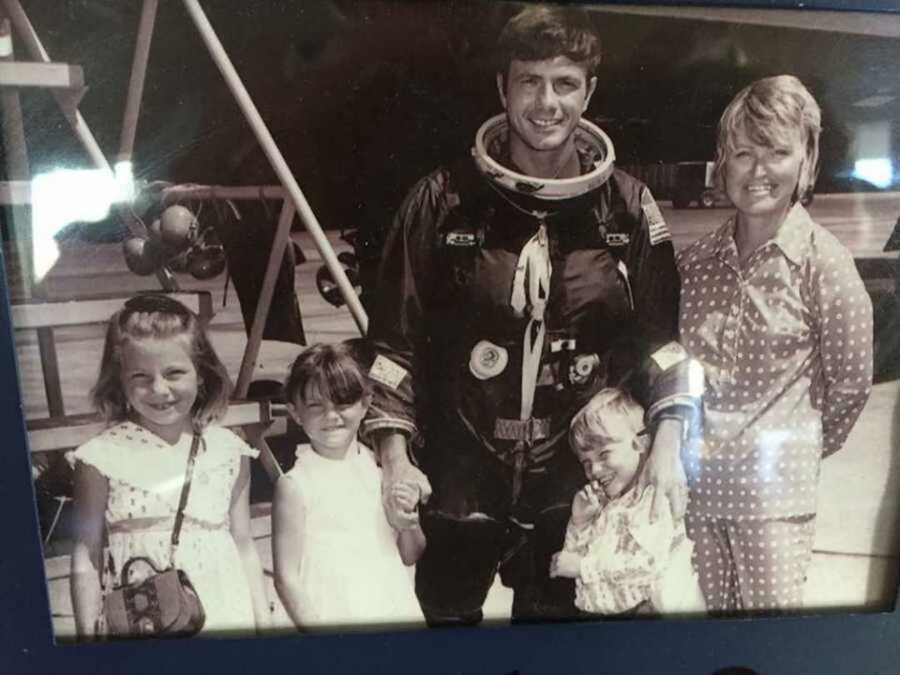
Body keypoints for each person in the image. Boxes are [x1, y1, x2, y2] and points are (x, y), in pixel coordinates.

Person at [363, 5, 703, 625]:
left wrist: (669, 444)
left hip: (575, 480)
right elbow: (394, 345)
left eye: (565, 83)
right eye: (530, 81)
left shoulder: (626, 210)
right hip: (460, 470)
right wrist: (394, 457)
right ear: (503, 86)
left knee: (559, 640)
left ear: (589, 91)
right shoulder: (443, 201)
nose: (547, 102)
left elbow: (665, 343)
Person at [677, 75, 874, 614]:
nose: (758, 171)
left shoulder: (824, 264)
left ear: (806, 159)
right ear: (722, 162)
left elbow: (851, 384)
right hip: (703, 495)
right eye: (742, 153)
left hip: (774, 503)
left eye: (777, 152)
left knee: (769, 643)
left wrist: (796, 447)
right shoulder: (695, 264)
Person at [68, 294, 270, 639]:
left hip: (225, 611)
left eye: (174, 372)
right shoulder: (101, 457)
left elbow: (243, 543)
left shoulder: (228, 451)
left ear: (202, 374)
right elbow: (86, 553)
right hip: (144, 619)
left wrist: (264, 625)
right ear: (119, 381)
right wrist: (88, 632)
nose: (159, 390)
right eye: (141, 377)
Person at [272, 343, 425, 630]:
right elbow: (286, 579)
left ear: (366, 404)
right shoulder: (295, 485)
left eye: (342, 403)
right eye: (316, 406)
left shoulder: (379, 472)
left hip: (389, 608)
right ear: (294, 412)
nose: (331, 416)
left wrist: (408, 523)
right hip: (329, 616)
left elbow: (411, 553)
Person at [549, 388, 705, 617]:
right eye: (586, 462)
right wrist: (579, 523)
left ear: (641, 444)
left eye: (604, 454)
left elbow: (649, 565)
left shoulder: (653, 498)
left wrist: (584, 567)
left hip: (647, 619)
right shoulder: (606, 503)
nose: (594, 470)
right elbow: (569, 560)